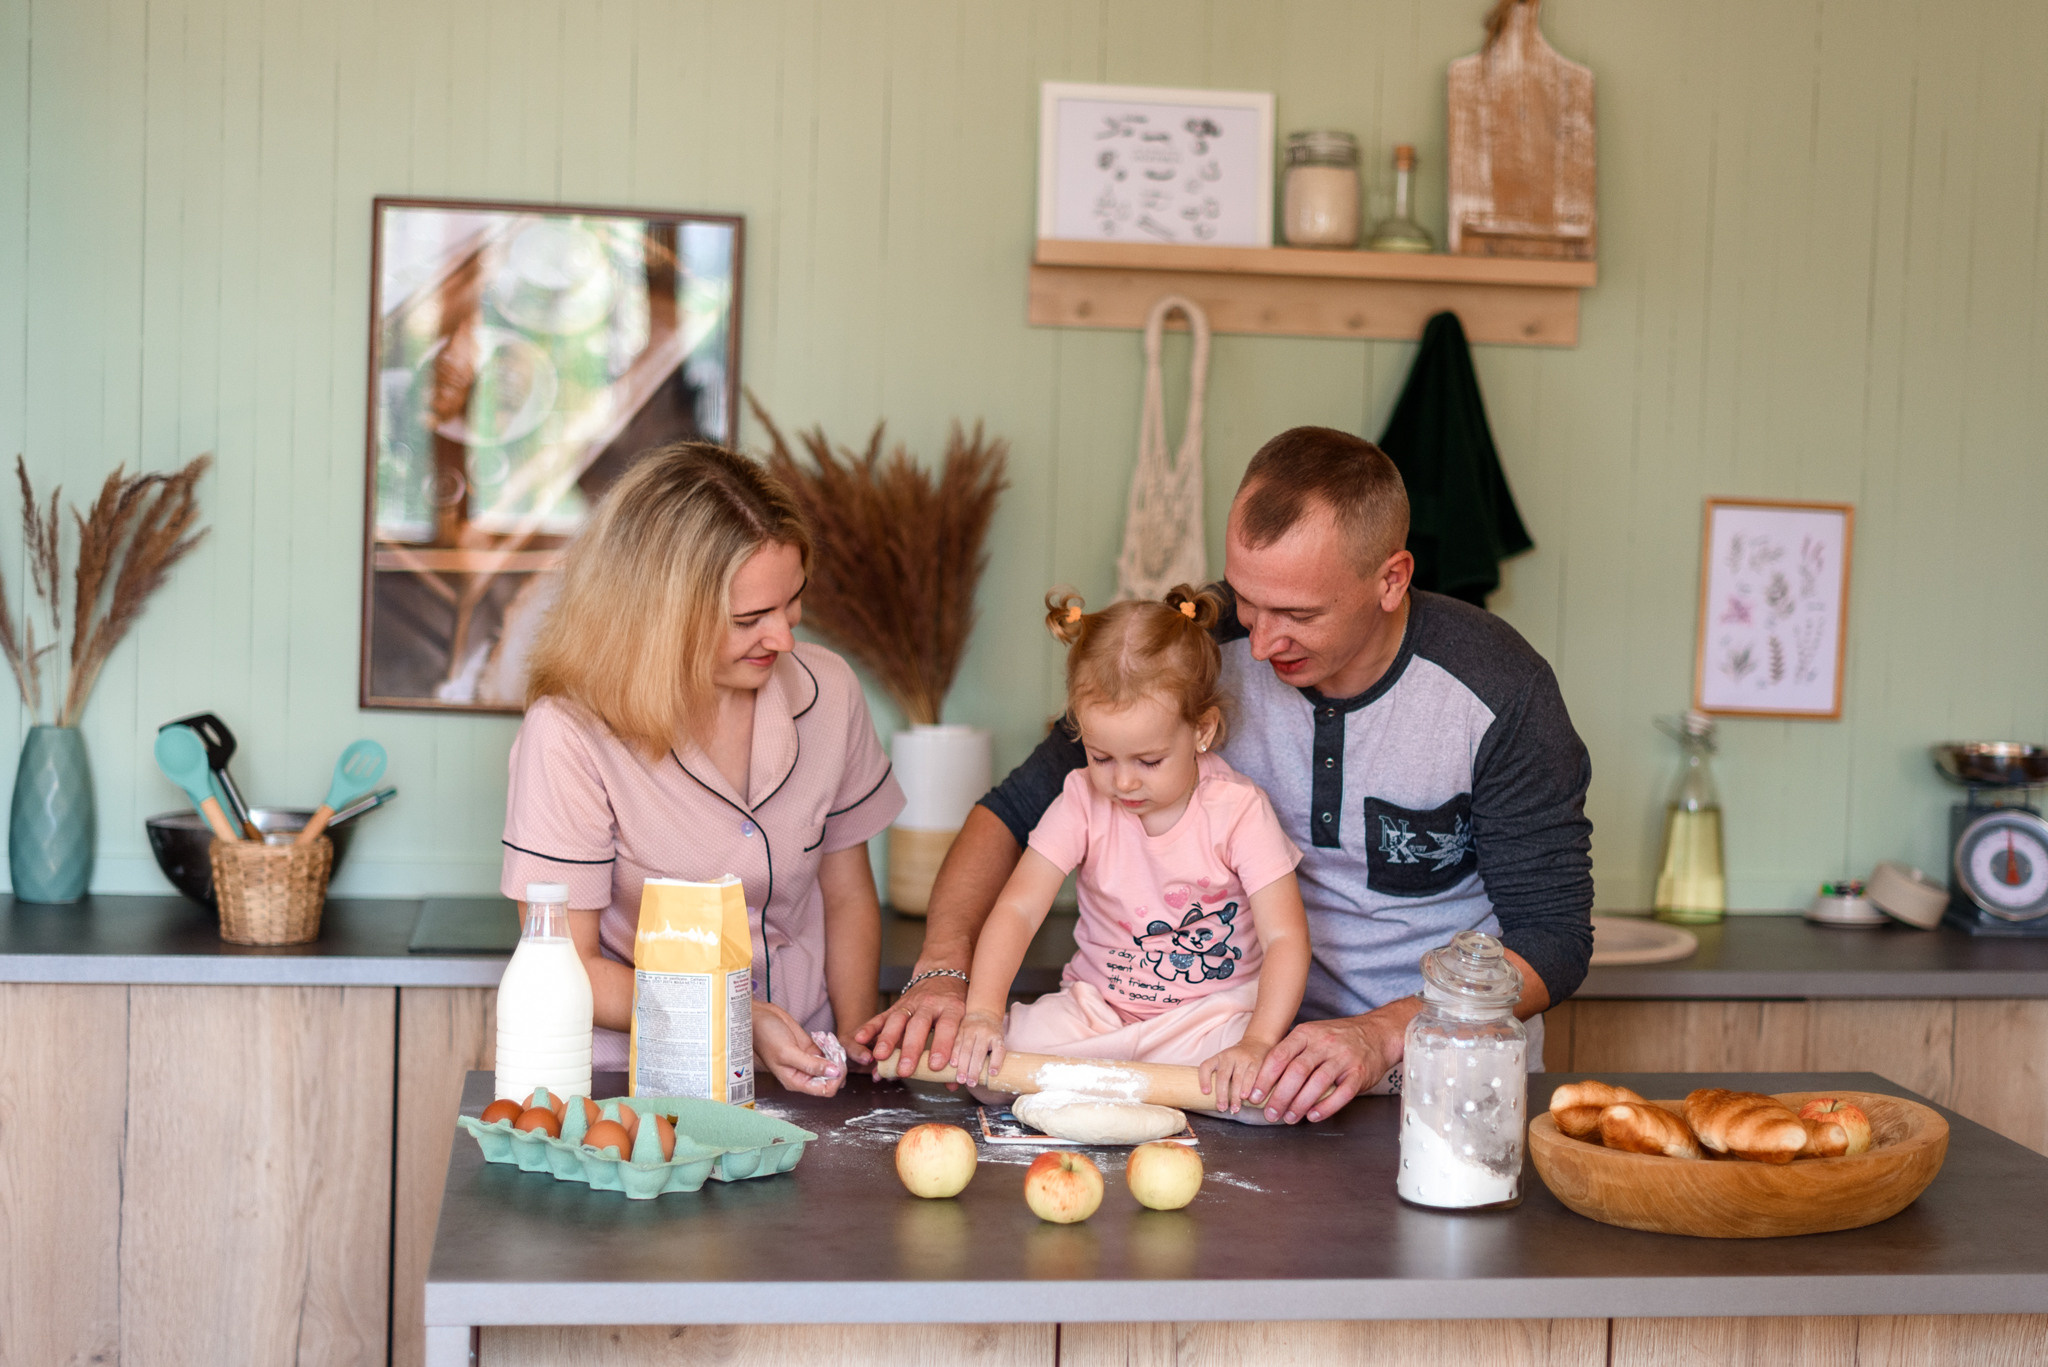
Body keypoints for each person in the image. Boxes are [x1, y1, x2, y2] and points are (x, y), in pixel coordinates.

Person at [859, 426, 1593, 1124]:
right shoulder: (1199, 644)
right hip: (1239, 1071)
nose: (1262, 640)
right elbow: (1013, 811)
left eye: (1298, 613)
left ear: (1391, 579)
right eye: (1247, 596)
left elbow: (1555, 938)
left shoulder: (1499, 691)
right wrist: (947, 969)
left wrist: (1381, 1032)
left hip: (1439, 1074)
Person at [501, 443, 904, 1098]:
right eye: (749, 619)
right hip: (637, 1083)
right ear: (660, 618)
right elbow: (566, 962)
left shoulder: (831, 692)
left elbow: (848, 893)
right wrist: (737, 1020)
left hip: (805, 1070)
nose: (784, 638)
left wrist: (861, 1063)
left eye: (792, 601)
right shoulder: (569, 732)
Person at [948, 586, 1310, 1117]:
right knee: (984, 1074)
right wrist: (981, 1011)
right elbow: (1019, 908)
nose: (1122, 782)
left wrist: (1254, 1044)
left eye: (1149, 760)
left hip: (1207, 1023)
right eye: (1101, 756)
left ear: (1201, 730)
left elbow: (1285, 938)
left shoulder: (1239, 810)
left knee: (1268, 1098)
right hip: (1097, 1014)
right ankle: (1138, 1082)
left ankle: (1123, 1082)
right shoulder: (1079, 800)